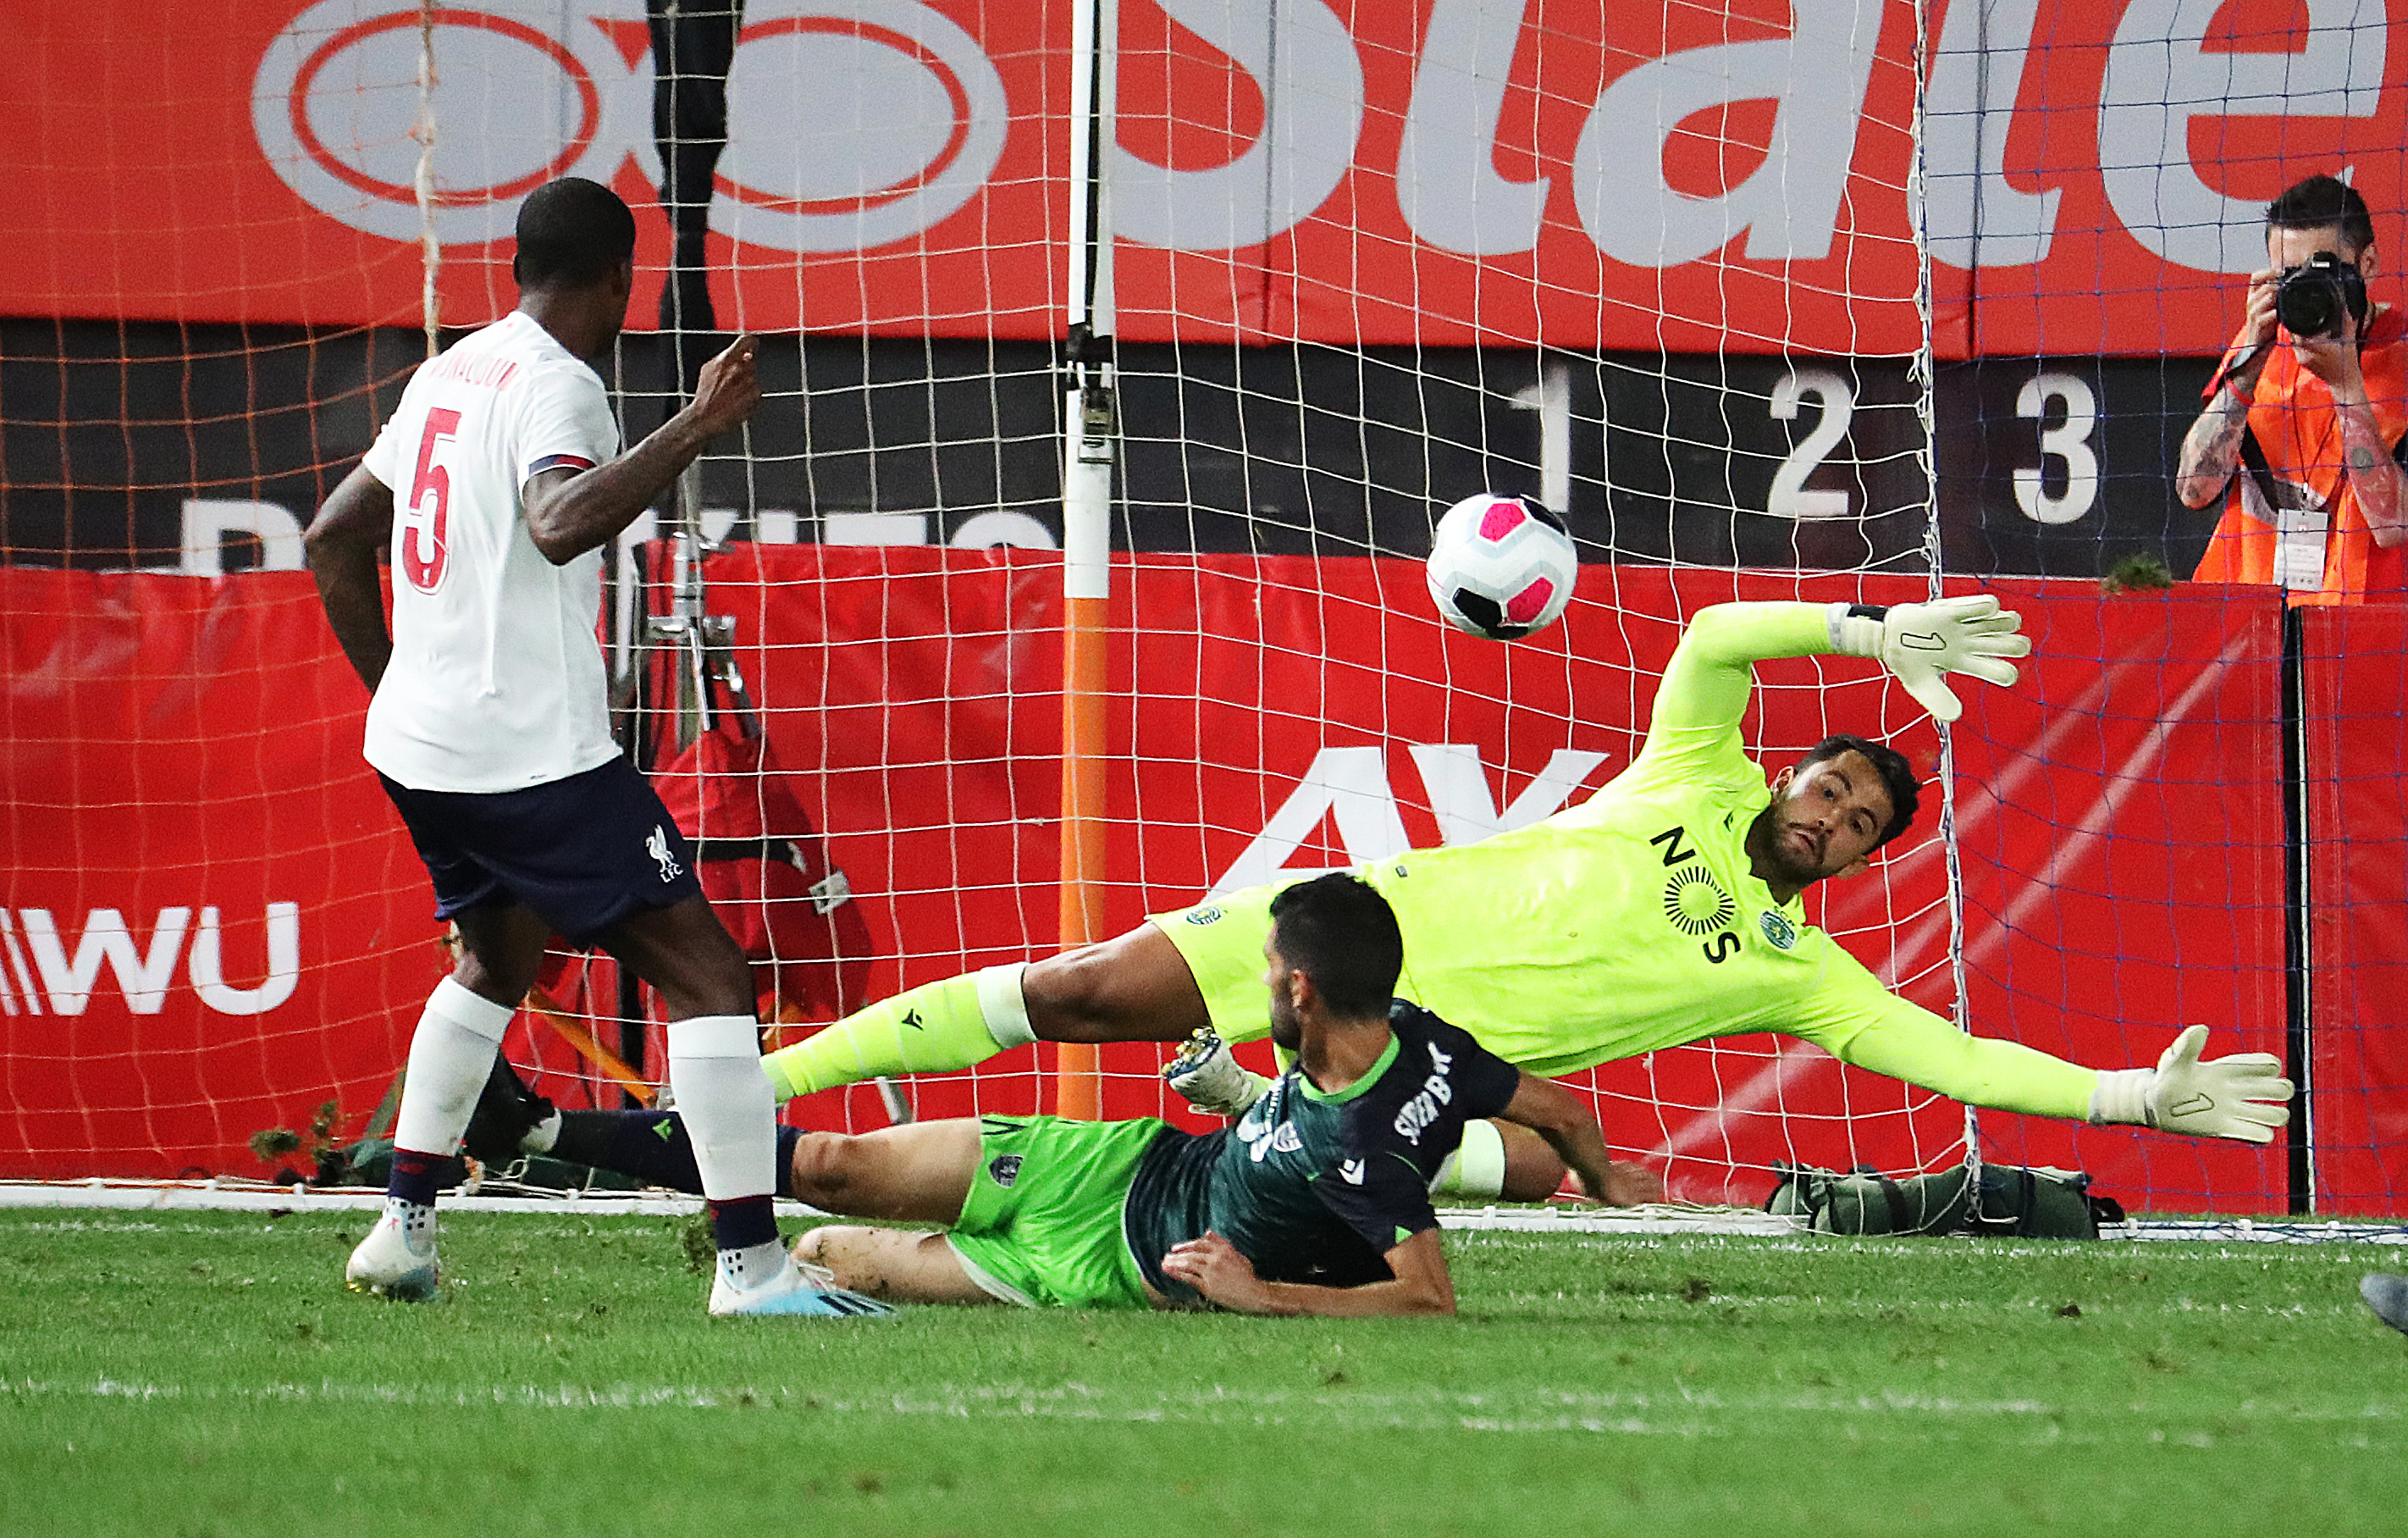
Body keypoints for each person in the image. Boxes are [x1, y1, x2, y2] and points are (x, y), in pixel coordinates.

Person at [748, 596, 2295, 1162]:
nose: (1825, 807)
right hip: (1342, 939)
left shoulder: (1794, 969)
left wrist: (2118, 1100)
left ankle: (1263, 1140)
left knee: (1483, 1164)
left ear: (1859, 863)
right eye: (1825, 777)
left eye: (1854, 818)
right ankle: (766, 1085)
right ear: (1783, 773)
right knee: (1076, 992)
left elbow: (1946, 1058)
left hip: (1395, 1077)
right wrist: (1853, 629)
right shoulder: (1695, 772)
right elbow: (1702, 644)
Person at [306, 176, 881, 1318]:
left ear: (519, 269)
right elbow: (559, 524)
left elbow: (330, 540)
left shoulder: (448, 371)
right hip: (535, 760)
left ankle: (402, 1230)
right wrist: (699, 425)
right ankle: (753, 1269)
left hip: (423, 751)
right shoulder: (560, 386)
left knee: (496, 961)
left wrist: (409, 687)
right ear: (624, 277)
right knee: (711, 975)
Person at [473, 874, 1633, 1314]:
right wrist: (1615, 1186)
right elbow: (1565, 1114)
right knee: (831, 1163)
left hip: (1098, 1272)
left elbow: (1426, 1301)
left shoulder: (1368, 1153)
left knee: (830, 1251)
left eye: (1272, 970)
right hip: (1113, 1162)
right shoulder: (1415, 1042)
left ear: (1305, 990)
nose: (1259, 979)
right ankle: (536, 1128)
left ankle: (560, 1139)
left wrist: (1263, 1295)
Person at [2178, 173, 2408, 602]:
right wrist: (2247, 365)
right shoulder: (2261, 342)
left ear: (2369, 264)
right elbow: (2194, 491)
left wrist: (2346, 386)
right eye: (2289, 275)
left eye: (2323, 270)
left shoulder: (2401, 356)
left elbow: (2393, 525)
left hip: (2354, 631)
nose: (2307, 288)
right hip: (2244, 619)